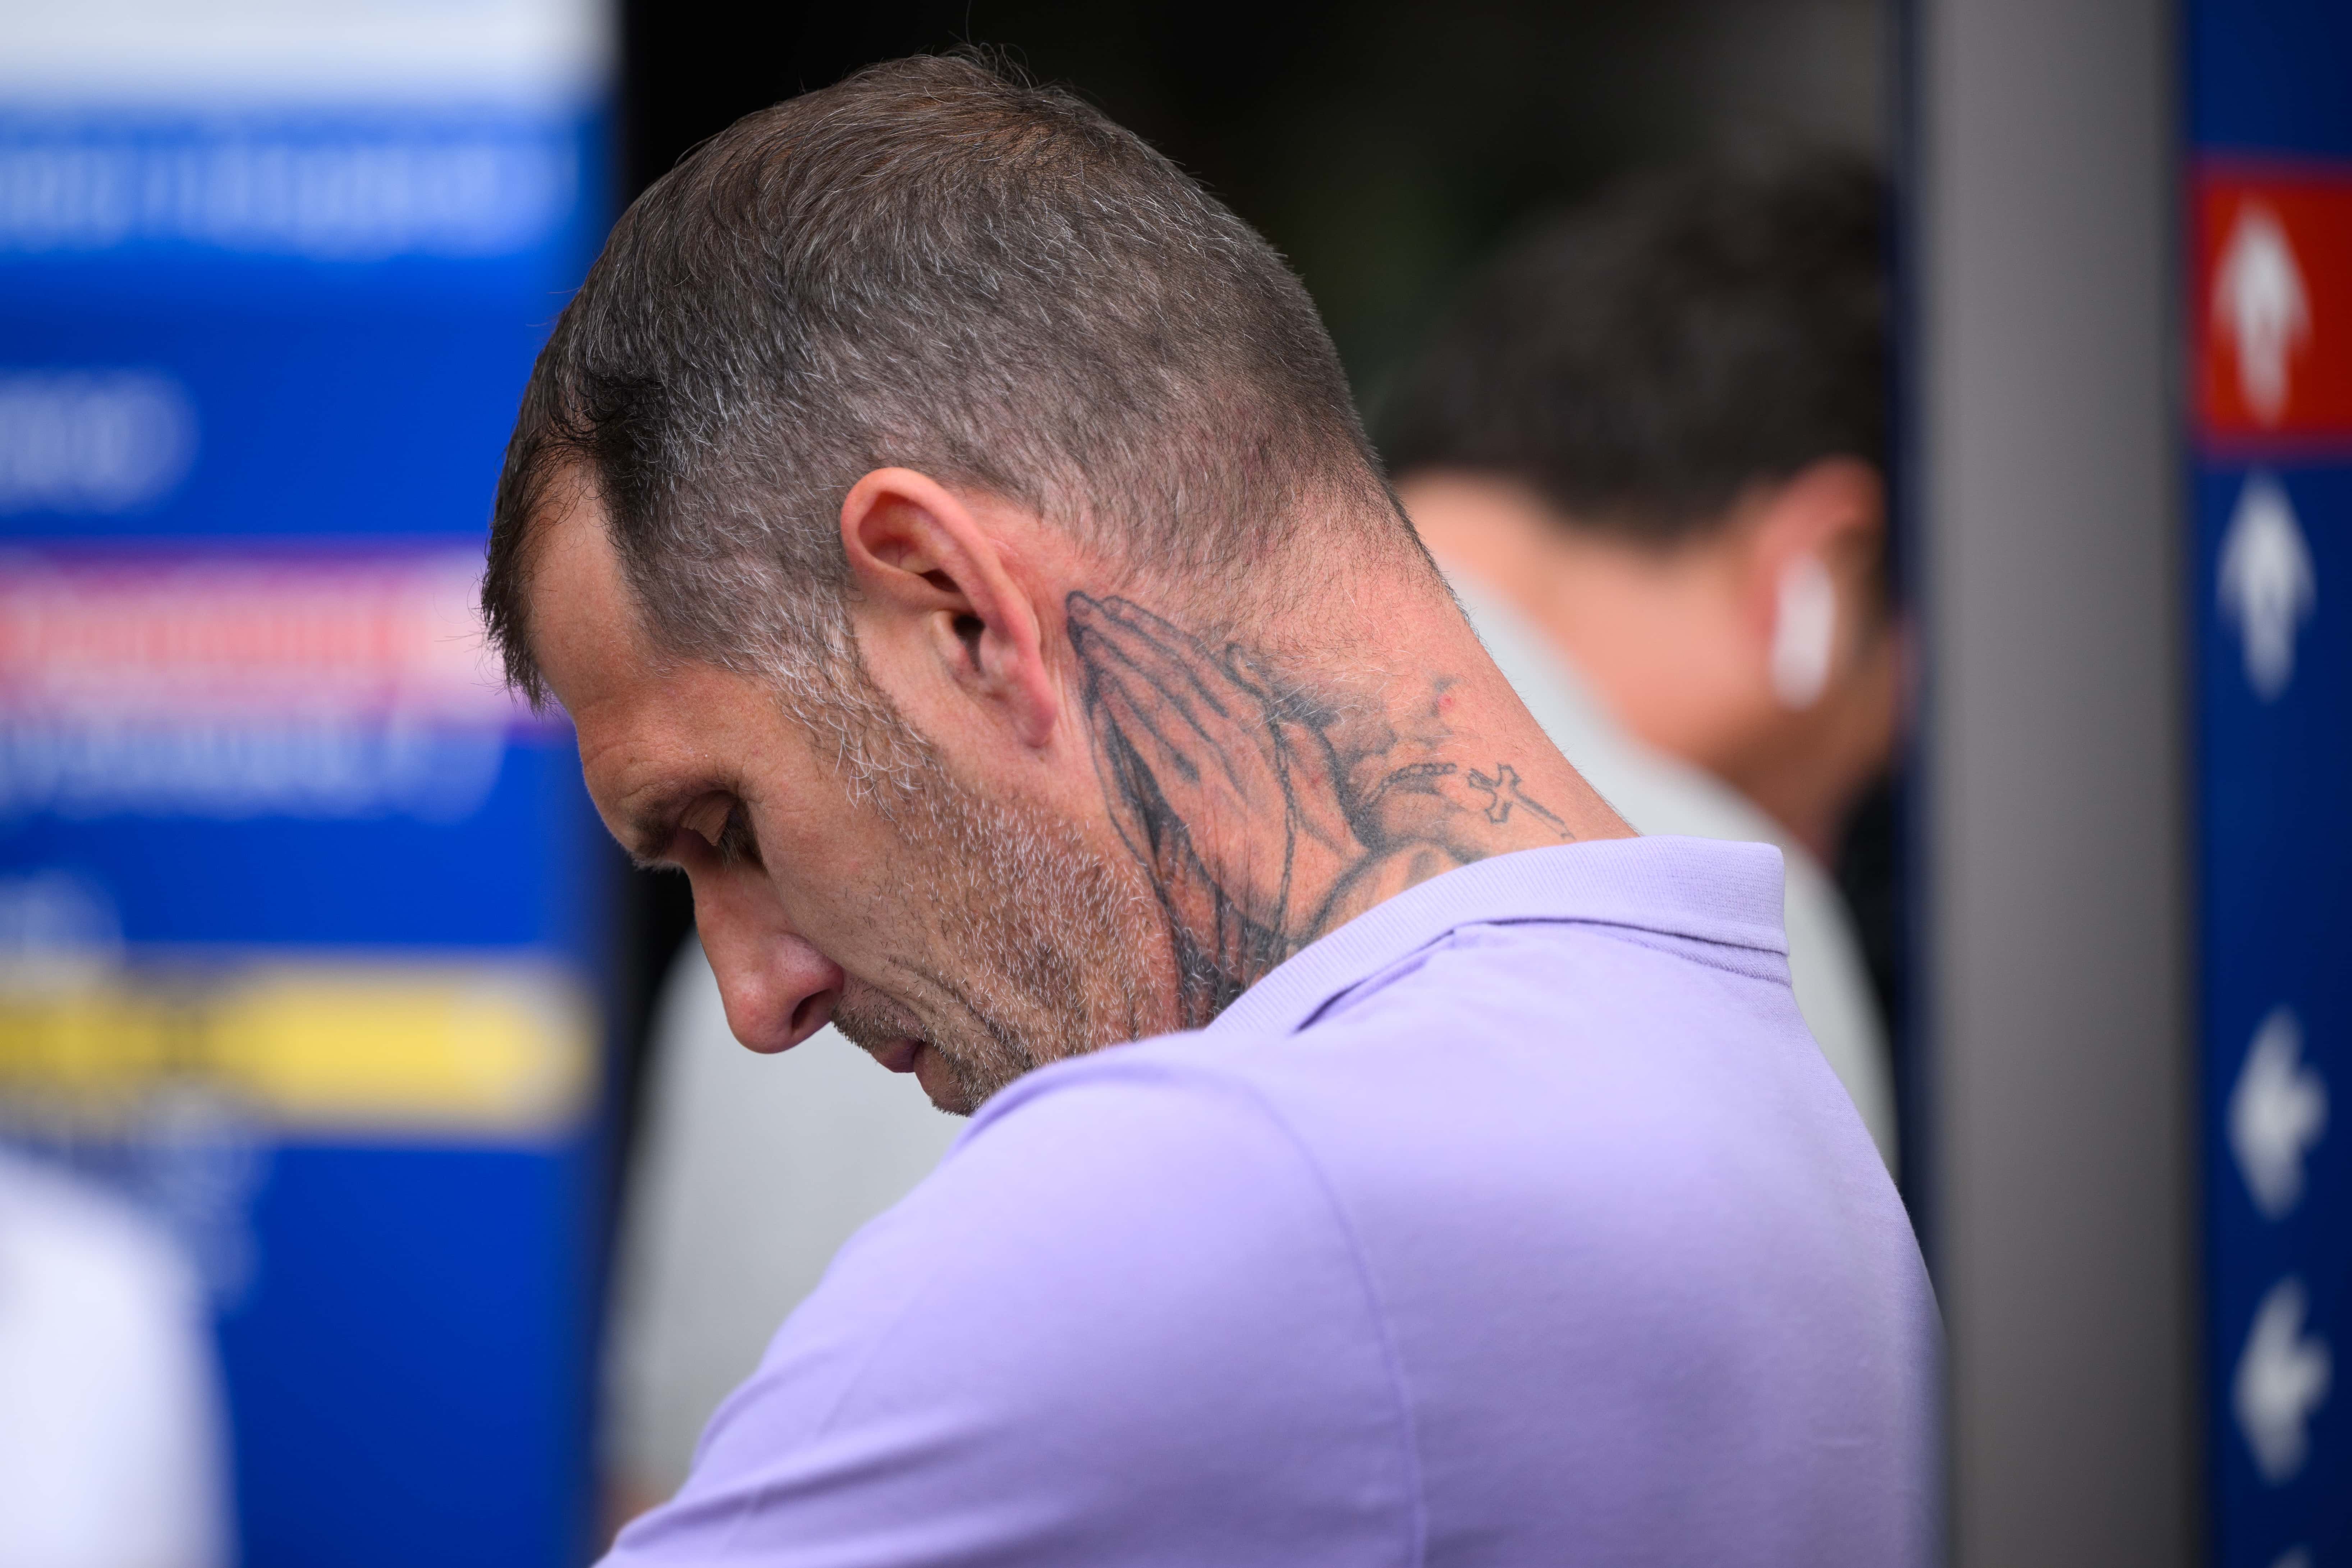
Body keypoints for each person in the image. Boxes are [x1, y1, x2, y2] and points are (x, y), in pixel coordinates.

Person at [484, 55, 1935, 1565]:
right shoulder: (1757, 1067)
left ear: (951, 606)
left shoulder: (1212, 1186)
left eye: (727, 824)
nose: (752, 997)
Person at [1381, 155, 1903, 1164]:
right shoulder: (1728, 927)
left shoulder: (1054, 710)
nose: (1827, 841)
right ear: (1819, 572)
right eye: (1862, 781)